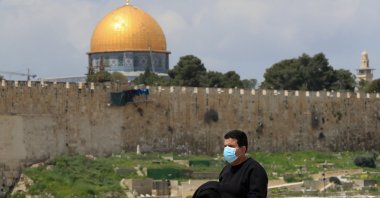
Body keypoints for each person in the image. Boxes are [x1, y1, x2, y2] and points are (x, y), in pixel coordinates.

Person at [219, 130, 268, 198]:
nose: (227, 149)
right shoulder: (225, 170)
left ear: (243, 149)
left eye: (231, 146)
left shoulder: (255, 170)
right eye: (225, 146)